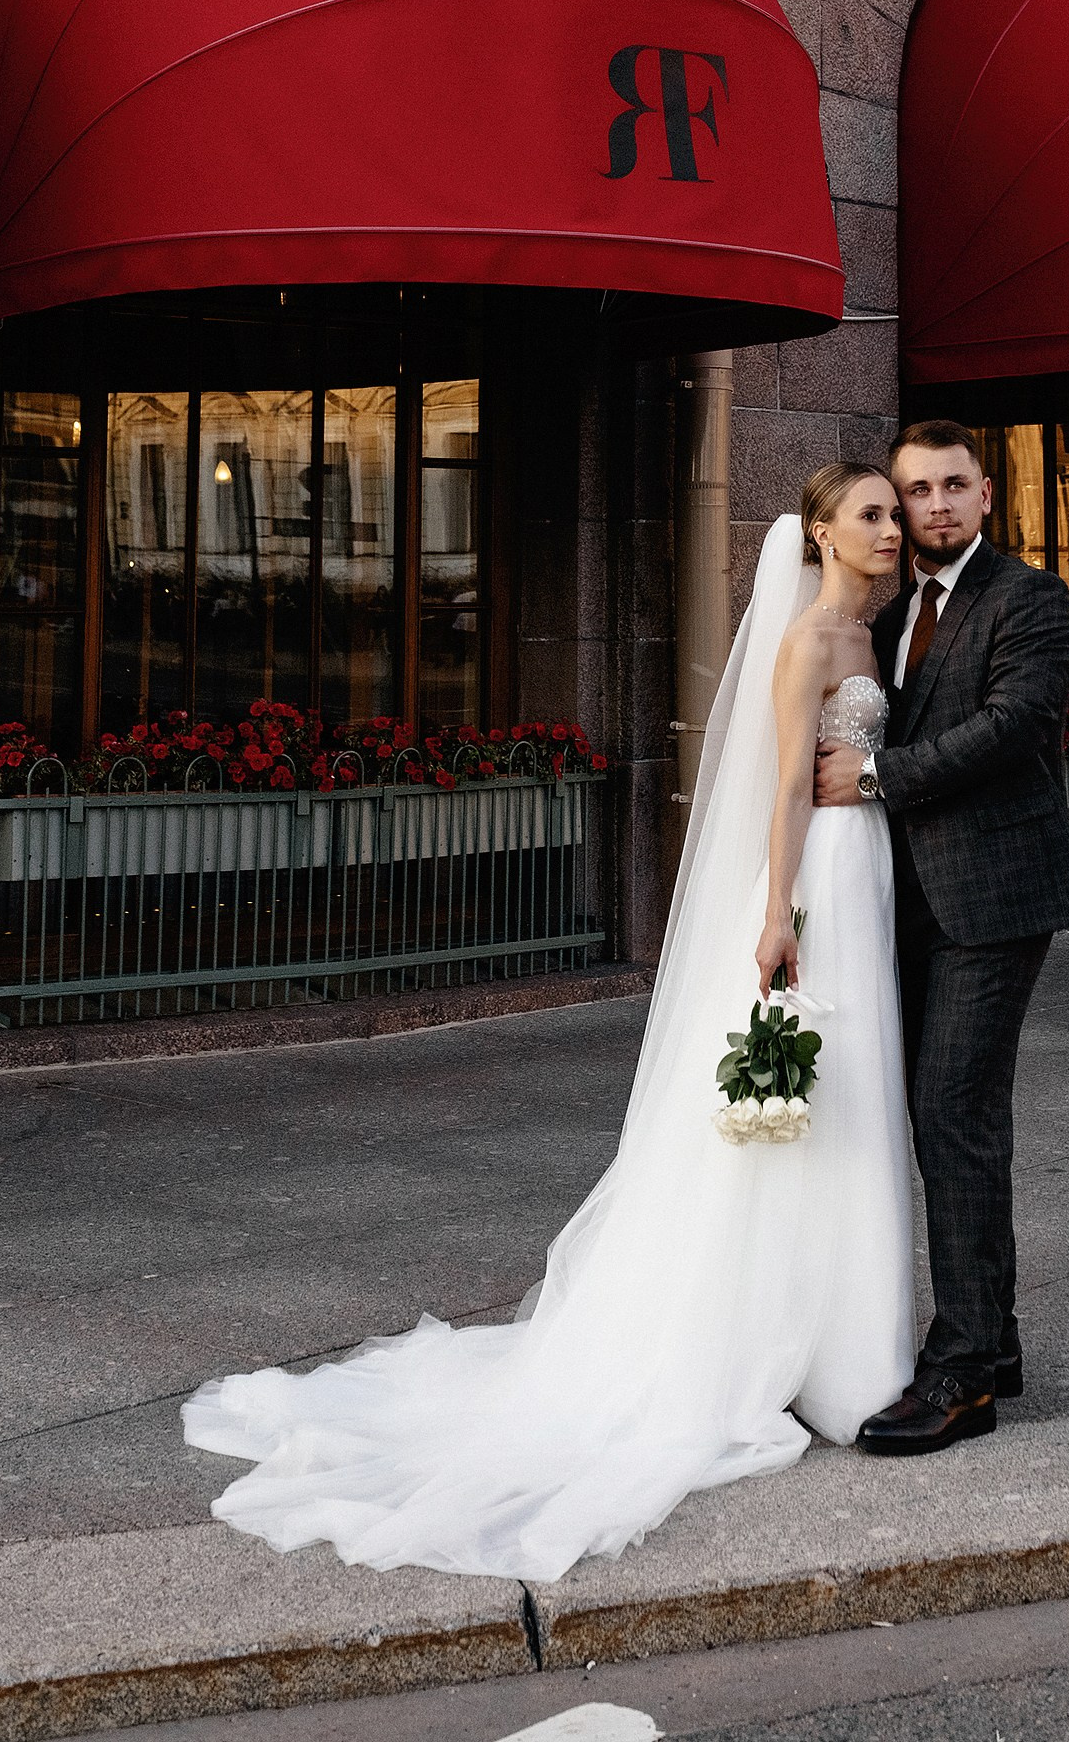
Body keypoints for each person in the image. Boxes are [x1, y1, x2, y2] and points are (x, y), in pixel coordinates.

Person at [182, 465, 915, 1583]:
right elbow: (773, 787)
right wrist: (775, 915)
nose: (890, 527)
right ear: (818, 532)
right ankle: (769, 1345)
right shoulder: (812, 642)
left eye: (892, 513)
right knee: (796, 1103)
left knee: (850, 1093)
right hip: (815, 880)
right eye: (868, 513)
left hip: (864, 872)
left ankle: (847, 1347)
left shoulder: (877, 632)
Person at [814, 417, 1069, 1454]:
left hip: (994, 898)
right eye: (911, 491)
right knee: (947, 1118)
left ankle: (963, 1373)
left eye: (948, 487)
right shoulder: (887, 619)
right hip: (903, 903)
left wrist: (877, 777)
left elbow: (1013, 725)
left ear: (986, 496)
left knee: (951, 1114)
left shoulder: (1028, 598)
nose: (930, 507)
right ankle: (999, 1338)